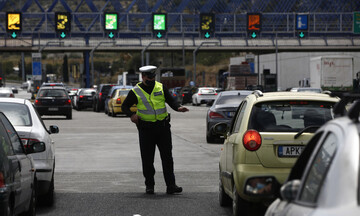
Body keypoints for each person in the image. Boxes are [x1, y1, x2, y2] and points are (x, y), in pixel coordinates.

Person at [121, 65, 189, 195]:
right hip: (146, 129)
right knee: (147, 159)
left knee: (167, 158)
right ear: (143, 77)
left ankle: (171, 185)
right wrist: (131, 115)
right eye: (149, 77)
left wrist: (178, 108)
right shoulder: (136, 91)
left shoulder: (161, 87)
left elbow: (171, 101)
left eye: (153, 76)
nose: (151, 79)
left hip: (163, 128)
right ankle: (150, 186)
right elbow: (125, 106)